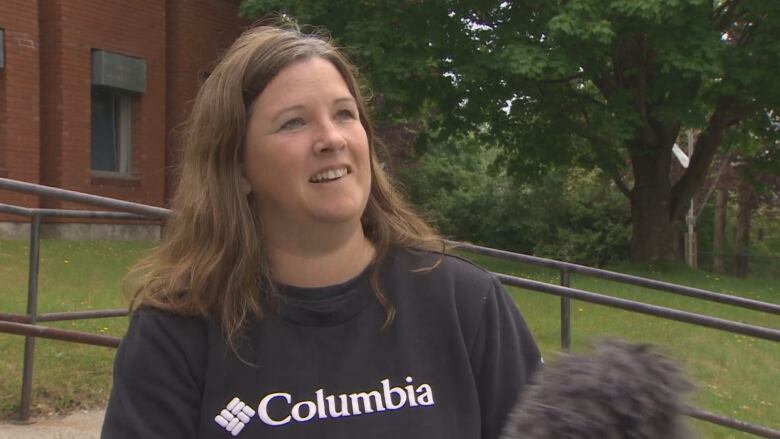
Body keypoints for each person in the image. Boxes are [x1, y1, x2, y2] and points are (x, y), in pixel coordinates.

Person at [101, 23, 541, 439]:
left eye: (345, 114)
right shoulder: (176, 336)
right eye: (294, 122)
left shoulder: (465, 304)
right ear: (237, 167)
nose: (332, 138)